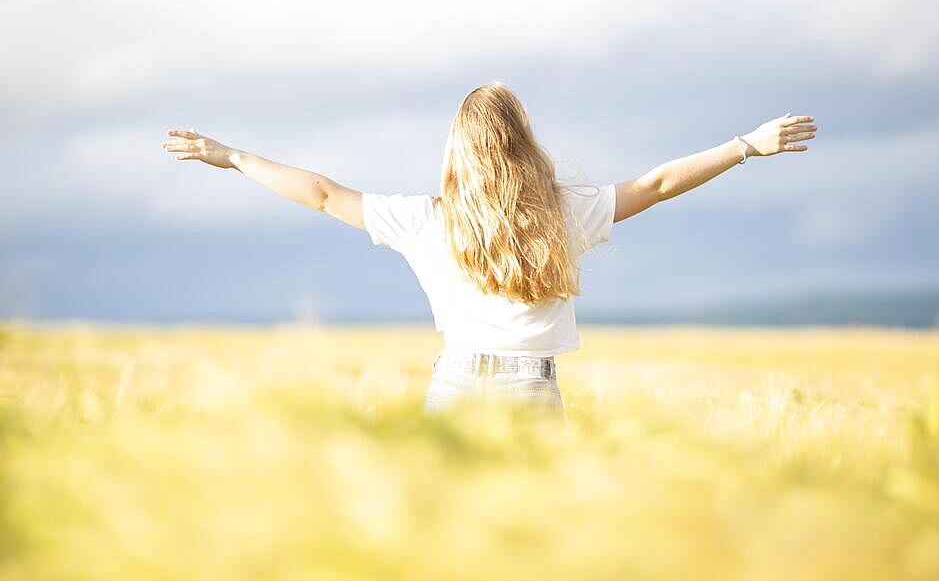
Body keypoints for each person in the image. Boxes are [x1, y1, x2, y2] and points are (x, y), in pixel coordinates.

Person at [161, 81, 817, 419]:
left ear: (457, 150)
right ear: (523, 142)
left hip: (453, 383)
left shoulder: (425, 219)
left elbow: (326, 194)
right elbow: (658, 183)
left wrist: (235, 158)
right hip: (532, 393)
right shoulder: (567, 211)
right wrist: (747, 145)